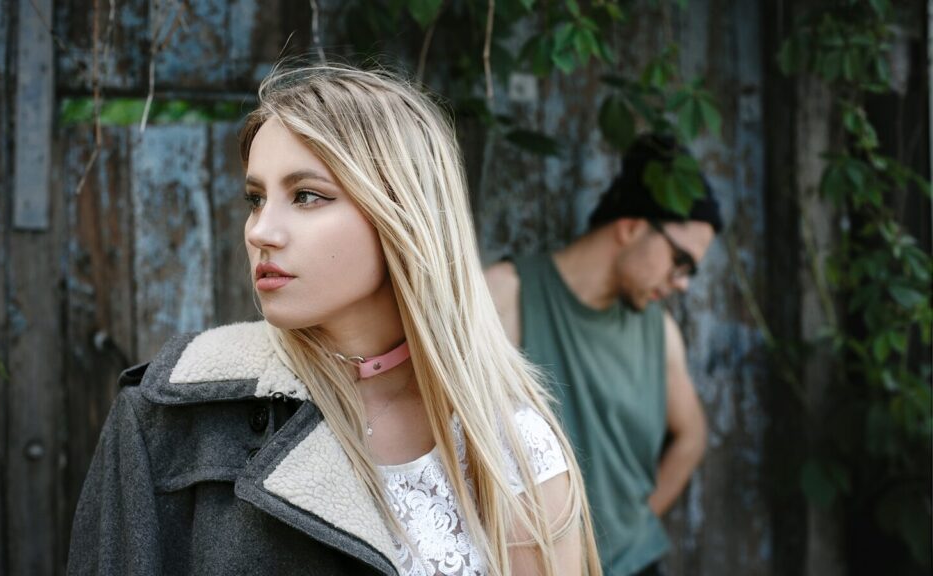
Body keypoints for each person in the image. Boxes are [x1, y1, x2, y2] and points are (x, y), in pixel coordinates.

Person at [67, 63, 602, 576]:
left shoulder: (512, 445)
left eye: (306, 195)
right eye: (256, 198)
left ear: (402, 213)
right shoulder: (167, 419)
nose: (260, 231)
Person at [484, 134, 723, 576]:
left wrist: (634, 526)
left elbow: (691, 436)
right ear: (632, 226)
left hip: (632, 566)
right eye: (681, 261)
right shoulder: (504, 296)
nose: (684, 283)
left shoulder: (660, 332)